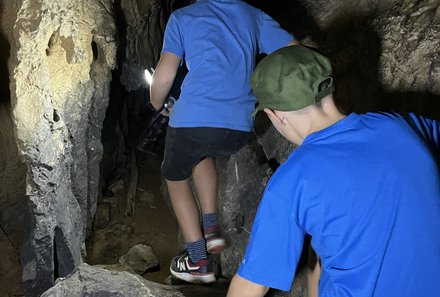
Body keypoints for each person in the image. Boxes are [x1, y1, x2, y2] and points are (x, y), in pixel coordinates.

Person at [227, 45, 440, 296]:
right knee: (317, 250)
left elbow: (250, 287)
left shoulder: (293, 181)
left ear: (275, 115)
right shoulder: (402, 126)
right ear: (330, 88)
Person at [149, 0, 297, 284]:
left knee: (175, 177)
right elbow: (293, 51)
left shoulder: (183, 17)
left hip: (192, 118)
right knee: (203, 156)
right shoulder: (252, 14)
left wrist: (157, 103)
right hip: (239, 124)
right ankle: (211, 227)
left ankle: (197, 261)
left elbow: (164, 75)